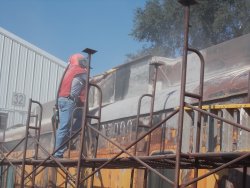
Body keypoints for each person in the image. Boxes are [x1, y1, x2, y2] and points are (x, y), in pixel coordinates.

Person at [54, 53, 88, 158]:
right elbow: (91, 81)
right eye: (83, 61)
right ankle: (58, 154)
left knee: (82, 117)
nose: (85, 64)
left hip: (63, 100)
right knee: (64, 127)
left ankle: (68, 137)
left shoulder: (69, 71)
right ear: (79, 61)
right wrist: (103, 77)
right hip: (68, 101)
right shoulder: (80, 71)